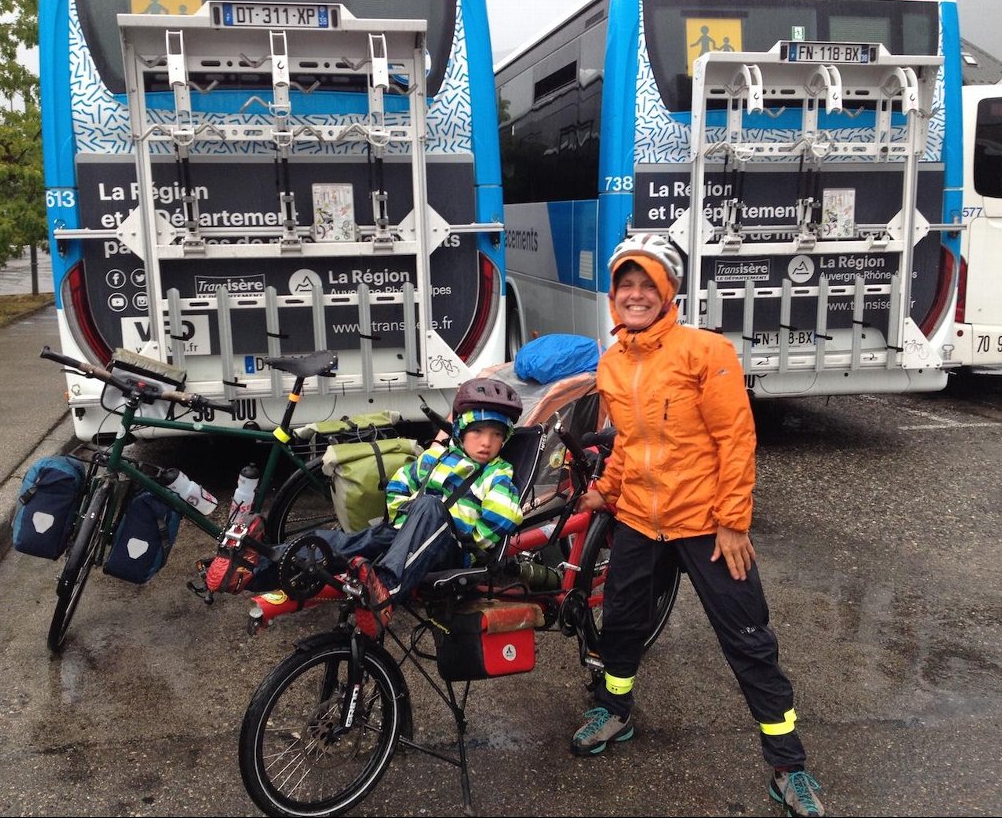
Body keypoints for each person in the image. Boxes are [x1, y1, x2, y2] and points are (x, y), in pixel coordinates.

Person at [572, 234, 826, 817]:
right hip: (638, 518)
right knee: (622, 624)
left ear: (669, 292)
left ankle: (788, 768)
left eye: (647, 285)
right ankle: (614, 712)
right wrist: (604, 492)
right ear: (614, 295)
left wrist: (733, 521)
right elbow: (626, 446)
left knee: (749, 642)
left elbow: (735, 439)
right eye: (625, 285)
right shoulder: (610, 361)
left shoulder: (704, 352)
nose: (635, 295)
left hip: (706, 524)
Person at [297, 377, 524, 637]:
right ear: (460, 430)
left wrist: (471, 543)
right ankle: (263, 563)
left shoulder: (497, 473)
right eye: (478, 432)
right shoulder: (434, 457)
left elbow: (504, 515)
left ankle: (384, 592)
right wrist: (405, 519)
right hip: (408, 537)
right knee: (354, 542)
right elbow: (398, 485)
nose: (486, 442)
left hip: (451, 550)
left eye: (497, 435)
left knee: (429, 506)